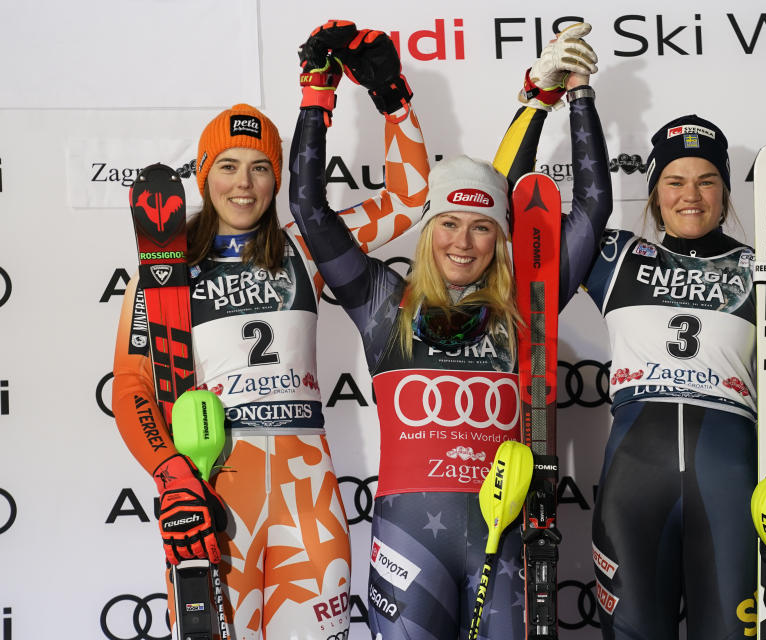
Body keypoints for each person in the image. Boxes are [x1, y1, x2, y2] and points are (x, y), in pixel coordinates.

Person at [287, 20, 609, 640]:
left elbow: (591, 210)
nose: (463, 241)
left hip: (507, 537)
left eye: (482, 226)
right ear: (428, 227)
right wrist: (316, 94)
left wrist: (577, 97)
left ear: (502, 237)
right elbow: (308, 207)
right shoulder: (384, 300)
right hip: (410, 547)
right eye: (449, 223)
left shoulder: (525, 306)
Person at [111, 35, 429, 640]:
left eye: (261, 167)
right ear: (204, 174)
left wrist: (393, 101)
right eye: (227, 165)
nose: (244, 183)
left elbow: (410, 200)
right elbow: (132, 387)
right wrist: (170, 474)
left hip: (309, 498)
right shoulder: (162, 267)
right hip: (213, 493)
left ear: (277, 177)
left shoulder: (304, 247)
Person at [580, 114, 766, 639]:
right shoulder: (614, 256)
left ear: (725, 192)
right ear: (654, 193)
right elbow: (523, 235)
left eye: (707, 181)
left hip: (731, 486)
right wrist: (538, 101)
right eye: (674, 181)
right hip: (634, 487)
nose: (690, 195)